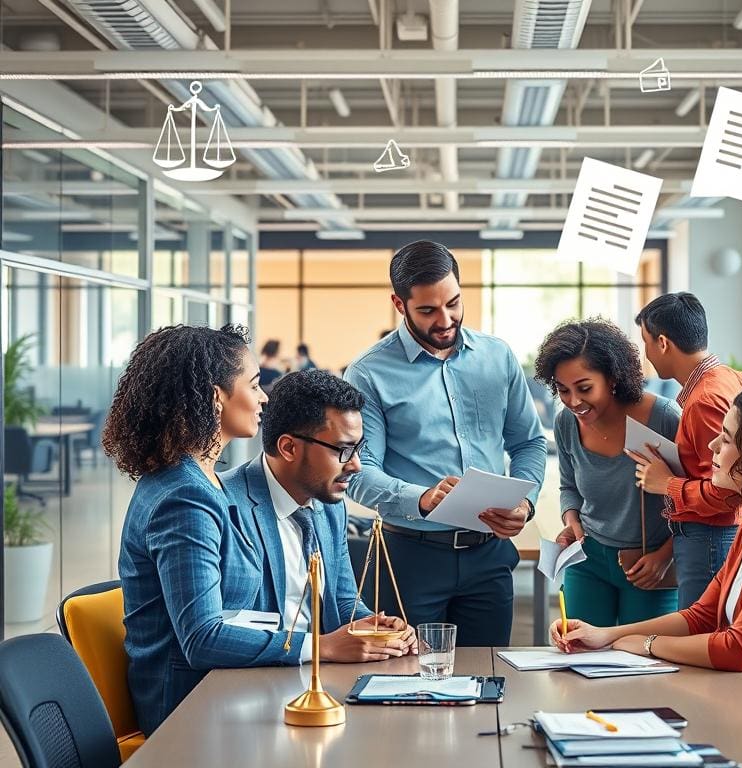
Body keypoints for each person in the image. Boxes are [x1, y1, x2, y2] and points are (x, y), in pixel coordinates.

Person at [551, 387, 742, 755]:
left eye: (727, 439)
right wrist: (606, 635)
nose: (712, 447)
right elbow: (703, 615)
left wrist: (648, 646)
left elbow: (740, 648)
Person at [344, 240, 546, 646]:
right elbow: (357, 472)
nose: (446, 319)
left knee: (487, 682)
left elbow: (528, 443)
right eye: (428, 310)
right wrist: (421, 498)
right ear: (399, 305)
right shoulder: (368, 373)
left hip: (489, 556)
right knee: (403, 684)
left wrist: (525, 503)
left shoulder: (498, 356)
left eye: (453, 303)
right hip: (410, 559)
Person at [105, 325, 297, 736]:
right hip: (187, 710)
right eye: (254, 384)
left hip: (227, 687)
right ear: (215, 397)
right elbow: (203, 637)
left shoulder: (208, 480)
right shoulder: (185, 497)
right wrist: (317, 647)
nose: (264, 397)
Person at [221, 370, 415, 662]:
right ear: (288, 448)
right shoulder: (223, 504)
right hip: (246, 682)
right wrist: (321, 646)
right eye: (344, 450)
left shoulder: (331, 506)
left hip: (321, 678)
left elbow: (343, 600)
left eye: (359, 449)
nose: (356, 466)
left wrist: (375, 627)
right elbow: (211, 633)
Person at [534, 318, 680, 625]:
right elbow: (569, 486)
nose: (574, 401)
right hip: (588, 559)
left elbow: (693, 495)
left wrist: (665, 556)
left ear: (612, 378)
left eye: (585, 388)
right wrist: (571, 520)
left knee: (647, 667)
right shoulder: (565, 423)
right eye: (562, 390)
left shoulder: (663, 418)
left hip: (649, 564)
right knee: (580, 657)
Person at [633, 292, 742, 609]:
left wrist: (666, 483)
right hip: (723, 534)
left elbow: (727, 491)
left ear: (663, 343)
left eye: (646, 342)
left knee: (699, 635)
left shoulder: (705, 399)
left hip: (710, 538)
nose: (645, 353)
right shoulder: (740, 379)